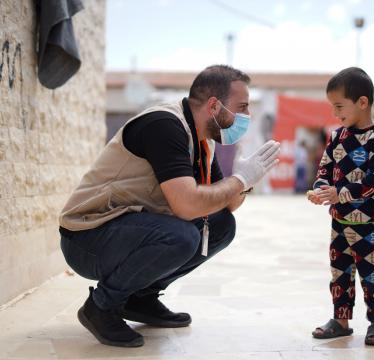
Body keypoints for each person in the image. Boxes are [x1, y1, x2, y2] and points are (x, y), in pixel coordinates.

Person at [59, 65, 281, 347]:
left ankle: (141, 298)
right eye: (243, 107)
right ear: (214, 105)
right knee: (182, 236)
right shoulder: (164, 125)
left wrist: (246, 180)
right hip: (87, 237)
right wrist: (238, 180)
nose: (246, 117)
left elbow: (225, 206)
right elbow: (188, 206)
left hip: (128, 230)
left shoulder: (203, 139)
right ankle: (101, 306)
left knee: (222, 226)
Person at [307, 67, 374, 346]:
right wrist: (321, 189)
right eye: (333, 107)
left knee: (372, 272)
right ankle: (340, 320)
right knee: (339, 271)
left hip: (369, 225)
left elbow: (373, 182)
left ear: (362, 102)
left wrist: (339, 192)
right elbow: (325, 169)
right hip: (339, 222)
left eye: (339, 106)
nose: (335, 113)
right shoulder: (337, 137)